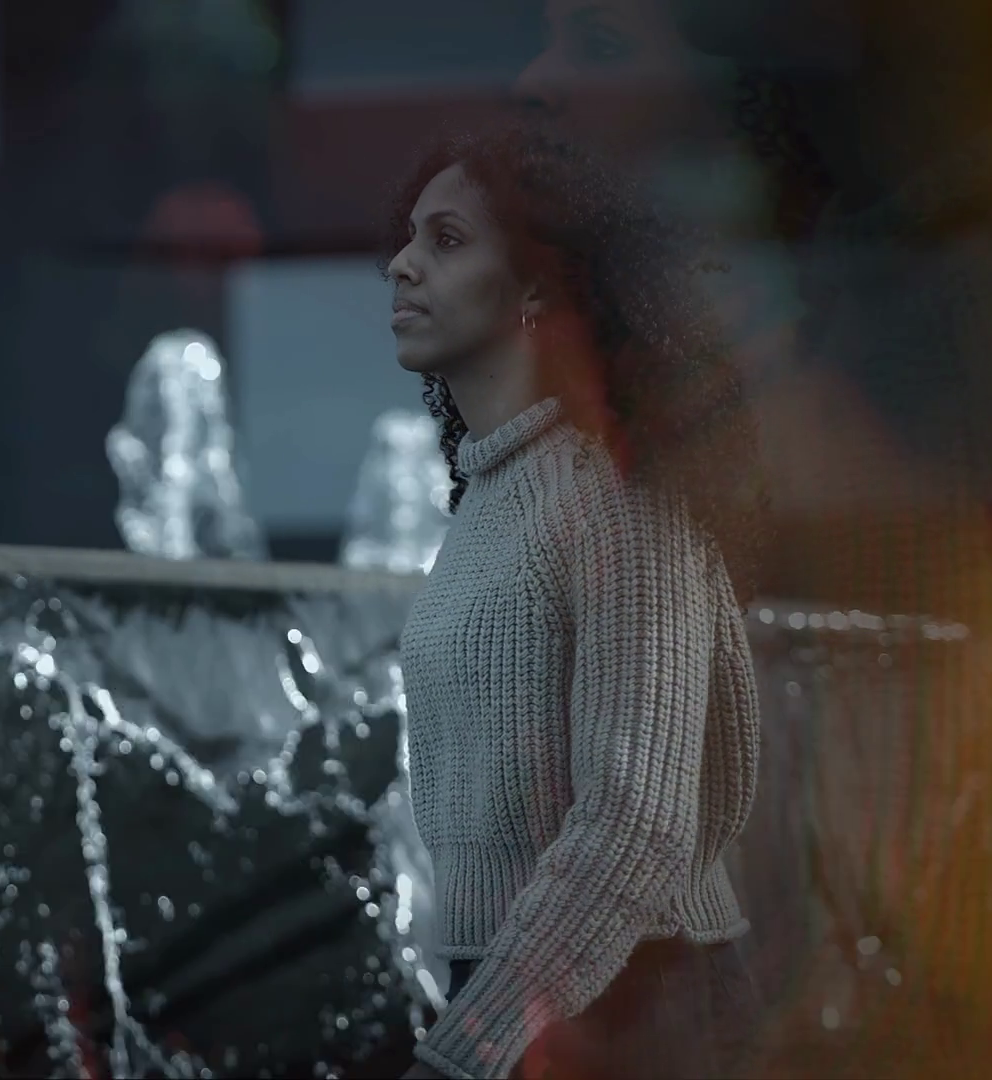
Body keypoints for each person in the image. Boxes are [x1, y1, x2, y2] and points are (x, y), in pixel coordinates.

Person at [385, 123, 768, 1079]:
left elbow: (637, 826)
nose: (401, 265)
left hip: (640, 1006)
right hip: (535, 998)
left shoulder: (621, 497)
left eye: (446, 240)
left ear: (539, 289)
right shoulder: (491, 496)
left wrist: (467, 1048)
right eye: (409, 237)